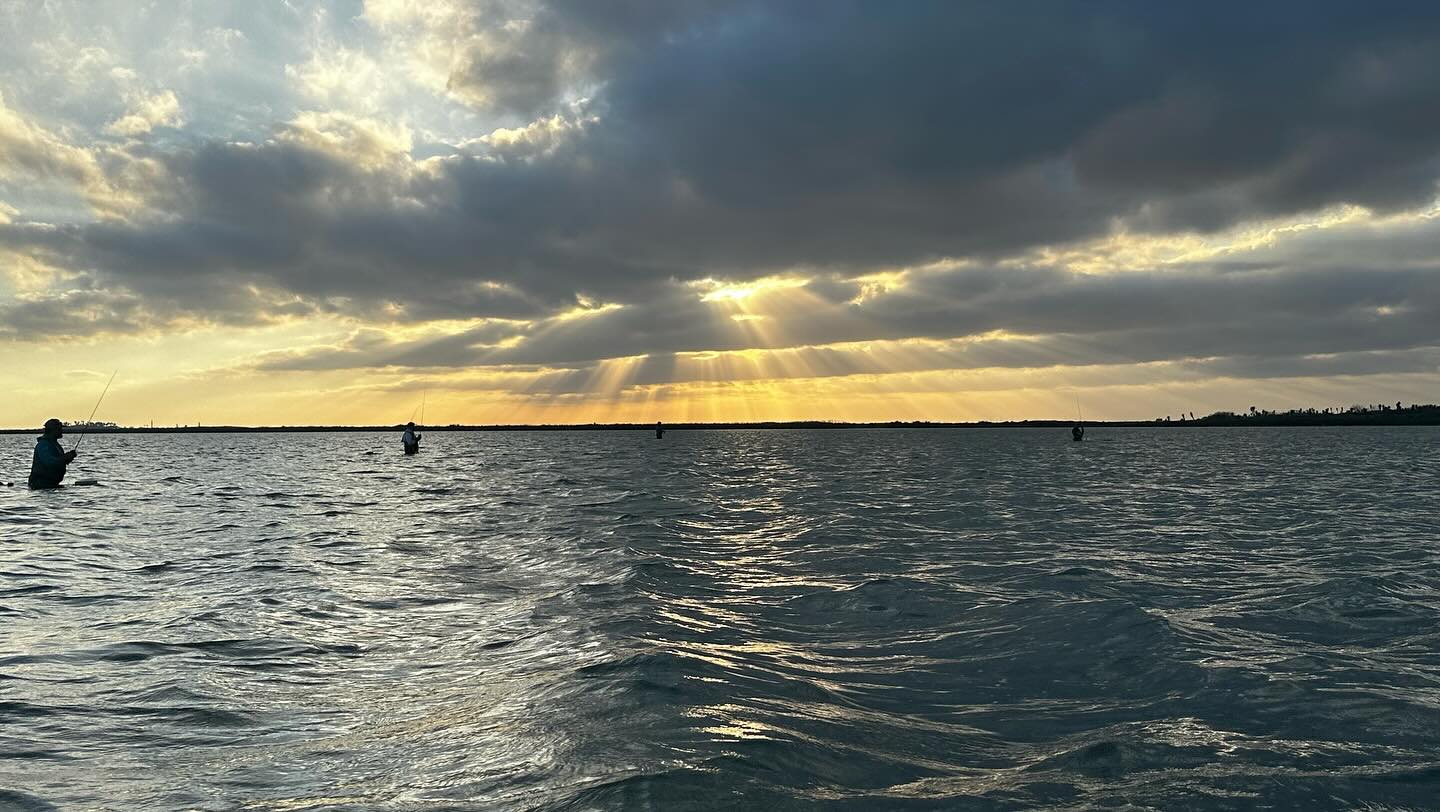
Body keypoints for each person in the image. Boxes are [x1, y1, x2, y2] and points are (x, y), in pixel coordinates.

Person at [29, 418, 77, 489]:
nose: (62, 431)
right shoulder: (43, 445)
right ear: (53, 430)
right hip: (40, 485)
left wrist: (68, 457)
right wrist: (65, 457)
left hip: (51, 484)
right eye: (59, 429)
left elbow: (59, 461)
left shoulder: (54, 444)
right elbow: (49, 462)